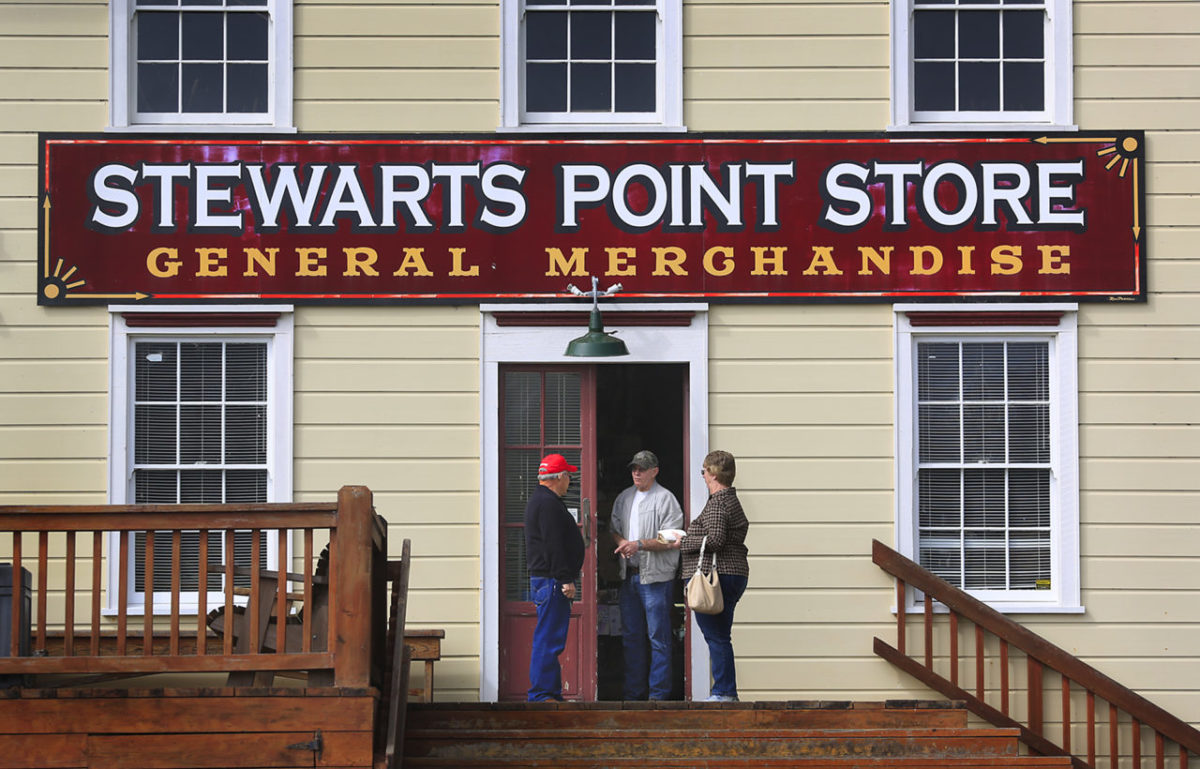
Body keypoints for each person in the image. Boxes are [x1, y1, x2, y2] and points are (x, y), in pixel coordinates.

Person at [670, 449, 749, 702]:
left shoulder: (717, 503)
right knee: (721, 635)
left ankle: (724, 692)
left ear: (713, 474)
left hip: (715, 577)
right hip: (733, 573)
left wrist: (683, 542)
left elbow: (714, 539)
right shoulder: (732, 501)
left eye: (704, 471)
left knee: (716, 636)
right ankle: (726, 691)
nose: (702, 476)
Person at [610, 449, 684, 701]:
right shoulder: (624, 497)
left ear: (655, 471)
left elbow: (673, 538)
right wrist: (622, 543)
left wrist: (638, 544)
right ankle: (633, 696)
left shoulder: (666, 499)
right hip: (629, 576)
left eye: (642, 468)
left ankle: (658, 698)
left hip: (656, 579)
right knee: (631, 638)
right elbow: (614, 529)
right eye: (634, 468)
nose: (637, 472)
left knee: (658, 638)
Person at [524, 453, 586, 702]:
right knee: (549, 638)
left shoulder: (541, 500)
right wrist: (565, 579)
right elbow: (553, 545)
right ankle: (542, 695)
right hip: (551, 581)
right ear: (559, 476)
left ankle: (548, 693)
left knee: (549, 637)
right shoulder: (547, 503)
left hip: (547, 581)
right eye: (568, 475)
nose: (569, 480)